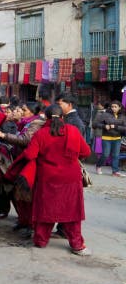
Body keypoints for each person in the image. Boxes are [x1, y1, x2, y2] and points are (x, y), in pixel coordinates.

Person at [22, 104, 91, 255]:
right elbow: (86, 151)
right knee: (72, 212)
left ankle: (41, 240)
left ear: (45, 117)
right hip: (71, 178)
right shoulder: (72, 131)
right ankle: (77, 245)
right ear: (62, 117)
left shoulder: (41, 133)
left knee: (45, 210)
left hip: (47, 178)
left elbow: (29, 155)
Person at [0, 102, 45, 231]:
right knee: (19, 194)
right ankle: (23, 220)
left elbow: (25, 139)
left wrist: (3, 135)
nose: (21, 111)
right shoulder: (24, 123)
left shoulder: (36, 123)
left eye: (24, 109)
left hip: (28, 163)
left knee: (27, 195)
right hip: (19, 160)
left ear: (32, 112)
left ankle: (29, 224)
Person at [92, 100, 126, 176]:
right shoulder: (105, 114)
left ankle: (115, 171)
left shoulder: (123, 116)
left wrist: (116, 127)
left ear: (119, 107)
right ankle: (98, 165)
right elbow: (94, 124)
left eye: (115, 107)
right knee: (105, 154)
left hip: (117, 138)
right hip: (106, 138)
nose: (113, 108)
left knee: (116, 155)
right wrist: (104, 126)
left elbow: (125, 128)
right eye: (112, 107)